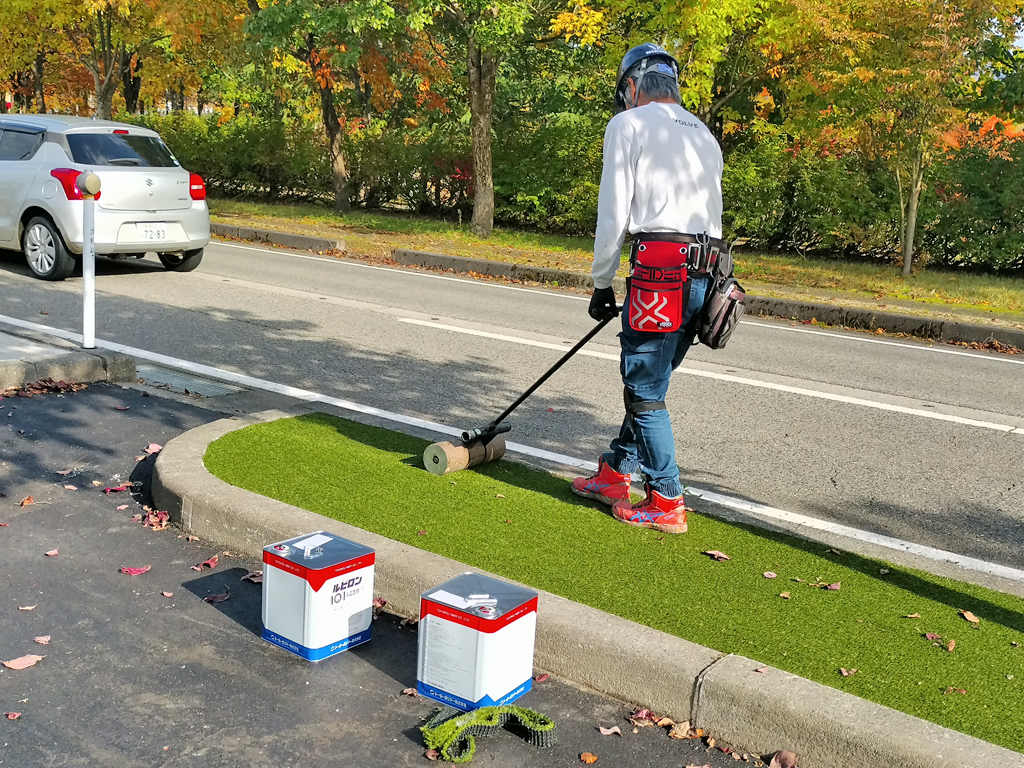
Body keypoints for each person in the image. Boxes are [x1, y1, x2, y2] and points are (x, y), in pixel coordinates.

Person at [570, 43, 727, 534]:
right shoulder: (704, 133)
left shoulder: (628, 125)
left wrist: (601, 282)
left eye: (626, 95)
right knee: (651, 386)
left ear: (632, 88)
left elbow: (613, 214)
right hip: (708, 275)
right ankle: (617, 474)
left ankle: (666, 499)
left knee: (643, 391)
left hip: (661, 273)